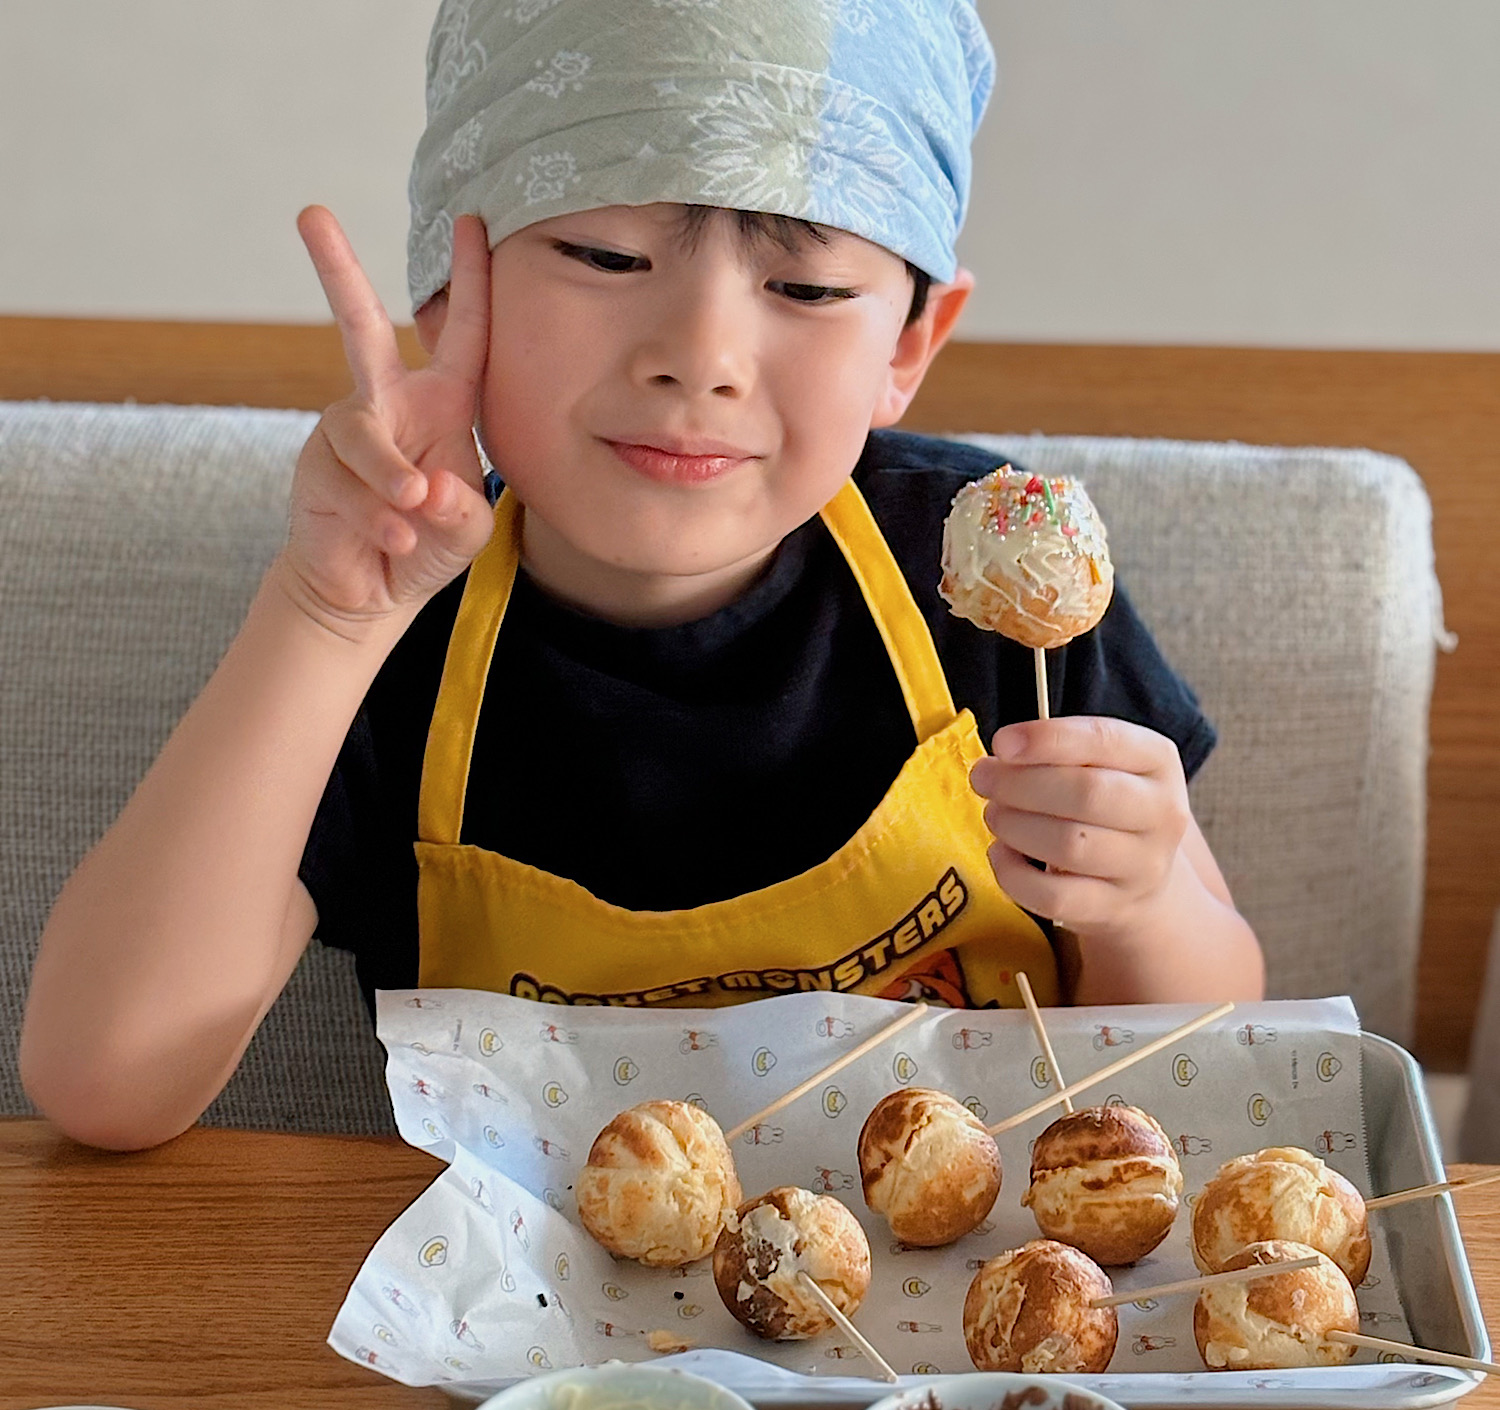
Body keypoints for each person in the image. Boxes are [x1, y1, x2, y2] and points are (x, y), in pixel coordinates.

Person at [21, 0, 1263, 1152]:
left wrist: (1143, 903)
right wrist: (325, 617)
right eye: (610, 258)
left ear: (910, 343)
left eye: (807, 285)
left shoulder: (980, 561)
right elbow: (102, 1082)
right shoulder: (394, 624)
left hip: (976, 1328)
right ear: (456, 291)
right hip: (543, 1357)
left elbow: (1207, 1045)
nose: (701, 356)